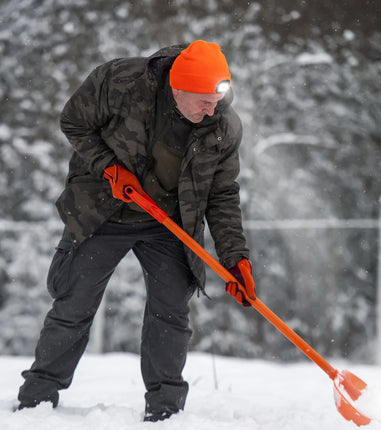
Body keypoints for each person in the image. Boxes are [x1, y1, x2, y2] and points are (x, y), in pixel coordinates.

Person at [17, 40, 256, 422]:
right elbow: (74, 122)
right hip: (101, 211)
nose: (212, 109)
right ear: (177, 89)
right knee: (73, 305)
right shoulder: (120, 82)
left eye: (217, 100)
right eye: (203, 102)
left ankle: (166, 410)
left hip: (168, 224)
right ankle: (37, 400)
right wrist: (110, 168)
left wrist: (235, 257)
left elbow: (222, 195)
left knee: (170, 313)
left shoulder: (222, 126)